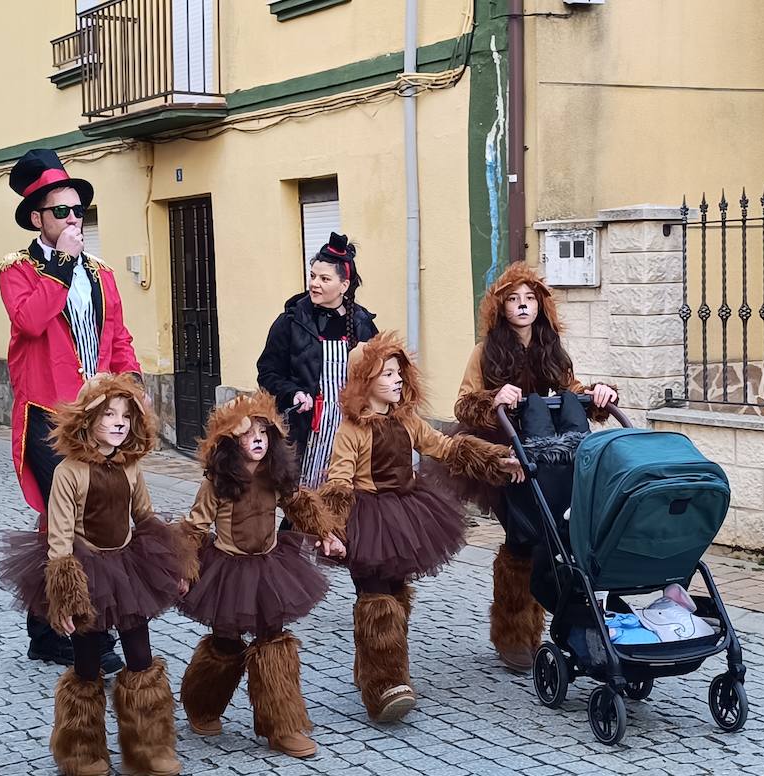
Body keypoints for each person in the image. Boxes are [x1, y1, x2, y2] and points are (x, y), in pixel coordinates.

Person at [319, 331, 522, 722]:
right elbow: (339, 482)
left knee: (395, 595)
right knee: (377, 600)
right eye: (386, 374)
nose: (397, 380)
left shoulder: (408, 421)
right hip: (367, 521)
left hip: (406, 516)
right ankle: (384, 687)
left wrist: (499, 459)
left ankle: (373, 667)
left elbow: (447, 447)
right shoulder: (352, 431)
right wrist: (331, 529)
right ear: (365, 382)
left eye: (399, 373)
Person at [0, 373, 185, 776]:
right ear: (86, 420)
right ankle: (81, 750)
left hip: (128, 569)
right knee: (87, 663)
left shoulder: (131, 467)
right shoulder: (67, 472)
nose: (119, 422)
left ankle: (149, 748)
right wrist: (64, 596)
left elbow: (146, 517)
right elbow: (59, 539)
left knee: (140, 656)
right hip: (85, 573)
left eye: (126, 416)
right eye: (108, 414)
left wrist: (175, 561)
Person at [0, 148, 140, 670]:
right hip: (47, 415)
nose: (73, 220)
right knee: (70, 515)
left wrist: (132, 388)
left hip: (99, 412)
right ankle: (88, 634)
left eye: (79, 211)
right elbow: (32, 322)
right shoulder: (17, 271)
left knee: (97, 510)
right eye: (62, 211)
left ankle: (47, 627)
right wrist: (59, 267)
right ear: (38, 218)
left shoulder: (101, 273)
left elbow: (117, 334)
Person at [453, 262, 617, 673]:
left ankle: (543, 627)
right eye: (513, 300)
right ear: (500, 307)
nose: (523, 307)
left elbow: (572, 390)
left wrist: (596, 394)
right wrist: (494, 397)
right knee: (521, 538)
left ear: (540, 306)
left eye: (529, 299)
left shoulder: (551, 346)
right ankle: (511, 634)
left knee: (553, 534)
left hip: (554, 456)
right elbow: (463, 403)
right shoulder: (484, 351)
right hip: (509, 452)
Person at [175, 392, 345, 759]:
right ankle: (202, 703)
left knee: (273, 640)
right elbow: (194, 525)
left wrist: (327, 535)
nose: (257, 439)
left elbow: (301, 505)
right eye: (247, 433)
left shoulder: (276, 476)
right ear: (228, 444)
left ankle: (281, 725)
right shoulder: (217, 483)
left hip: (269, 568)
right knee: (226, 642)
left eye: (264, 432)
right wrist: (184, 567)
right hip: (228, 571)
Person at [256, 232, 378, 490]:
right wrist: (293, 393)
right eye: (312, 276)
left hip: (350, 430)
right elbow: (267, 373)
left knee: (345, 500)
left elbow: (379, 376)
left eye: (324, 279)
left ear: (344, 286)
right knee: (305, 502)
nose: (315, 284)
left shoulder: (363, 325)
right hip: (308, 430)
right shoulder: (290, 322)